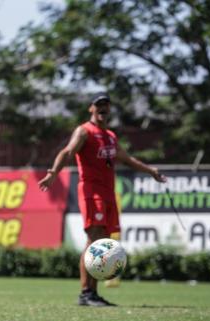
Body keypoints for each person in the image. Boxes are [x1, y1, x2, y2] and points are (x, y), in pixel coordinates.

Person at [38, 92, 166, 307]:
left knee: (104, 243)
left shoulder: (110, 136)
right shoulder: (84, 131)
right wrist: (53, 173)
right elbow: (68, 152)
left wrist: (150, 170)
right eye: (99, 104)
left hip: (108, 193)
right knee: (93, 240)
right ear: (91, 108)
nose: (103, 108)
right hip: (91, 191)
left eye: (106, 104)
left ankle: (93, 294)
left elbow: (126, 159)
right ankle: (85, 293)